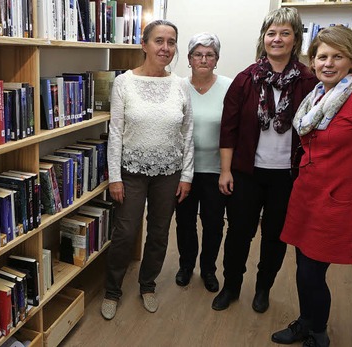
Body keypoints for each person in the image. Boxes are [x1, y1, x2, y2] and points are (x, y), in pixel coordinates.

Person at [272, 26, 352, 347]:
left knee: (312, 272)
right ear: (313, 62)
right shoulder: (316, 97)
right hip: (305, 196)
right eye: (322, 56)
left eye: (337, 56)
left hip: (335, 202)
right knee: (303, 266)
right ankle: (306, 322)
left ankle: (318, 331)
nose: (328, 63)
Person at [214, 7, 318, 313]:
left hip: (288, 177)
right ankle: (231, 286)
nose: (277, 39)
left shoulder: (309, 83)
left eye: (285, 33)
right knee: (238, 234)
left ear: (295, 39)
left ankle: (263, 289)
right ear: (263, 38)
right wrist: (224, 171)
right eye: (271, 33)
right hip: (246, 173)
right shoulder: (246, 80)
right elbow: (228, 129)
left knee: (275, 237)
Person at [101, 19, 194, 320]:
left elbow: (188, 132)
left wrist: (187, 176)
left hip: (169, 172)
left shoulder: (181, 85)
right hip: (131, 171)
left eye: (171, 42)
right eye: (159, 41)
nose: (165, 48)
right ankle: (112, 290)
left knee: (158, 232)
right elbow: (115, 132)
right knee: (125, 232)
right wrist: (114, 176)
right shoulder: (124, 82)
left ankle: (147, 285)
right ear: (144, 44)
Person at [174, 32, 232, 292]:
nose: (203, 59)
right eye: (198, 54)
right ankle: (186, 265)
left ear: (216, 59)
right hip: (183, 170)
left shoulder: (230, 87)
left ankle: (208, 269)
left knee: (213, 223)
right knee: (185, 222)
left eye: (210, 55)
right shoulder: (177, 87)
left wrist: (227, 170)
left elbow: (234, 130)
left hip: (215, 170)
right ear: (189, 59)